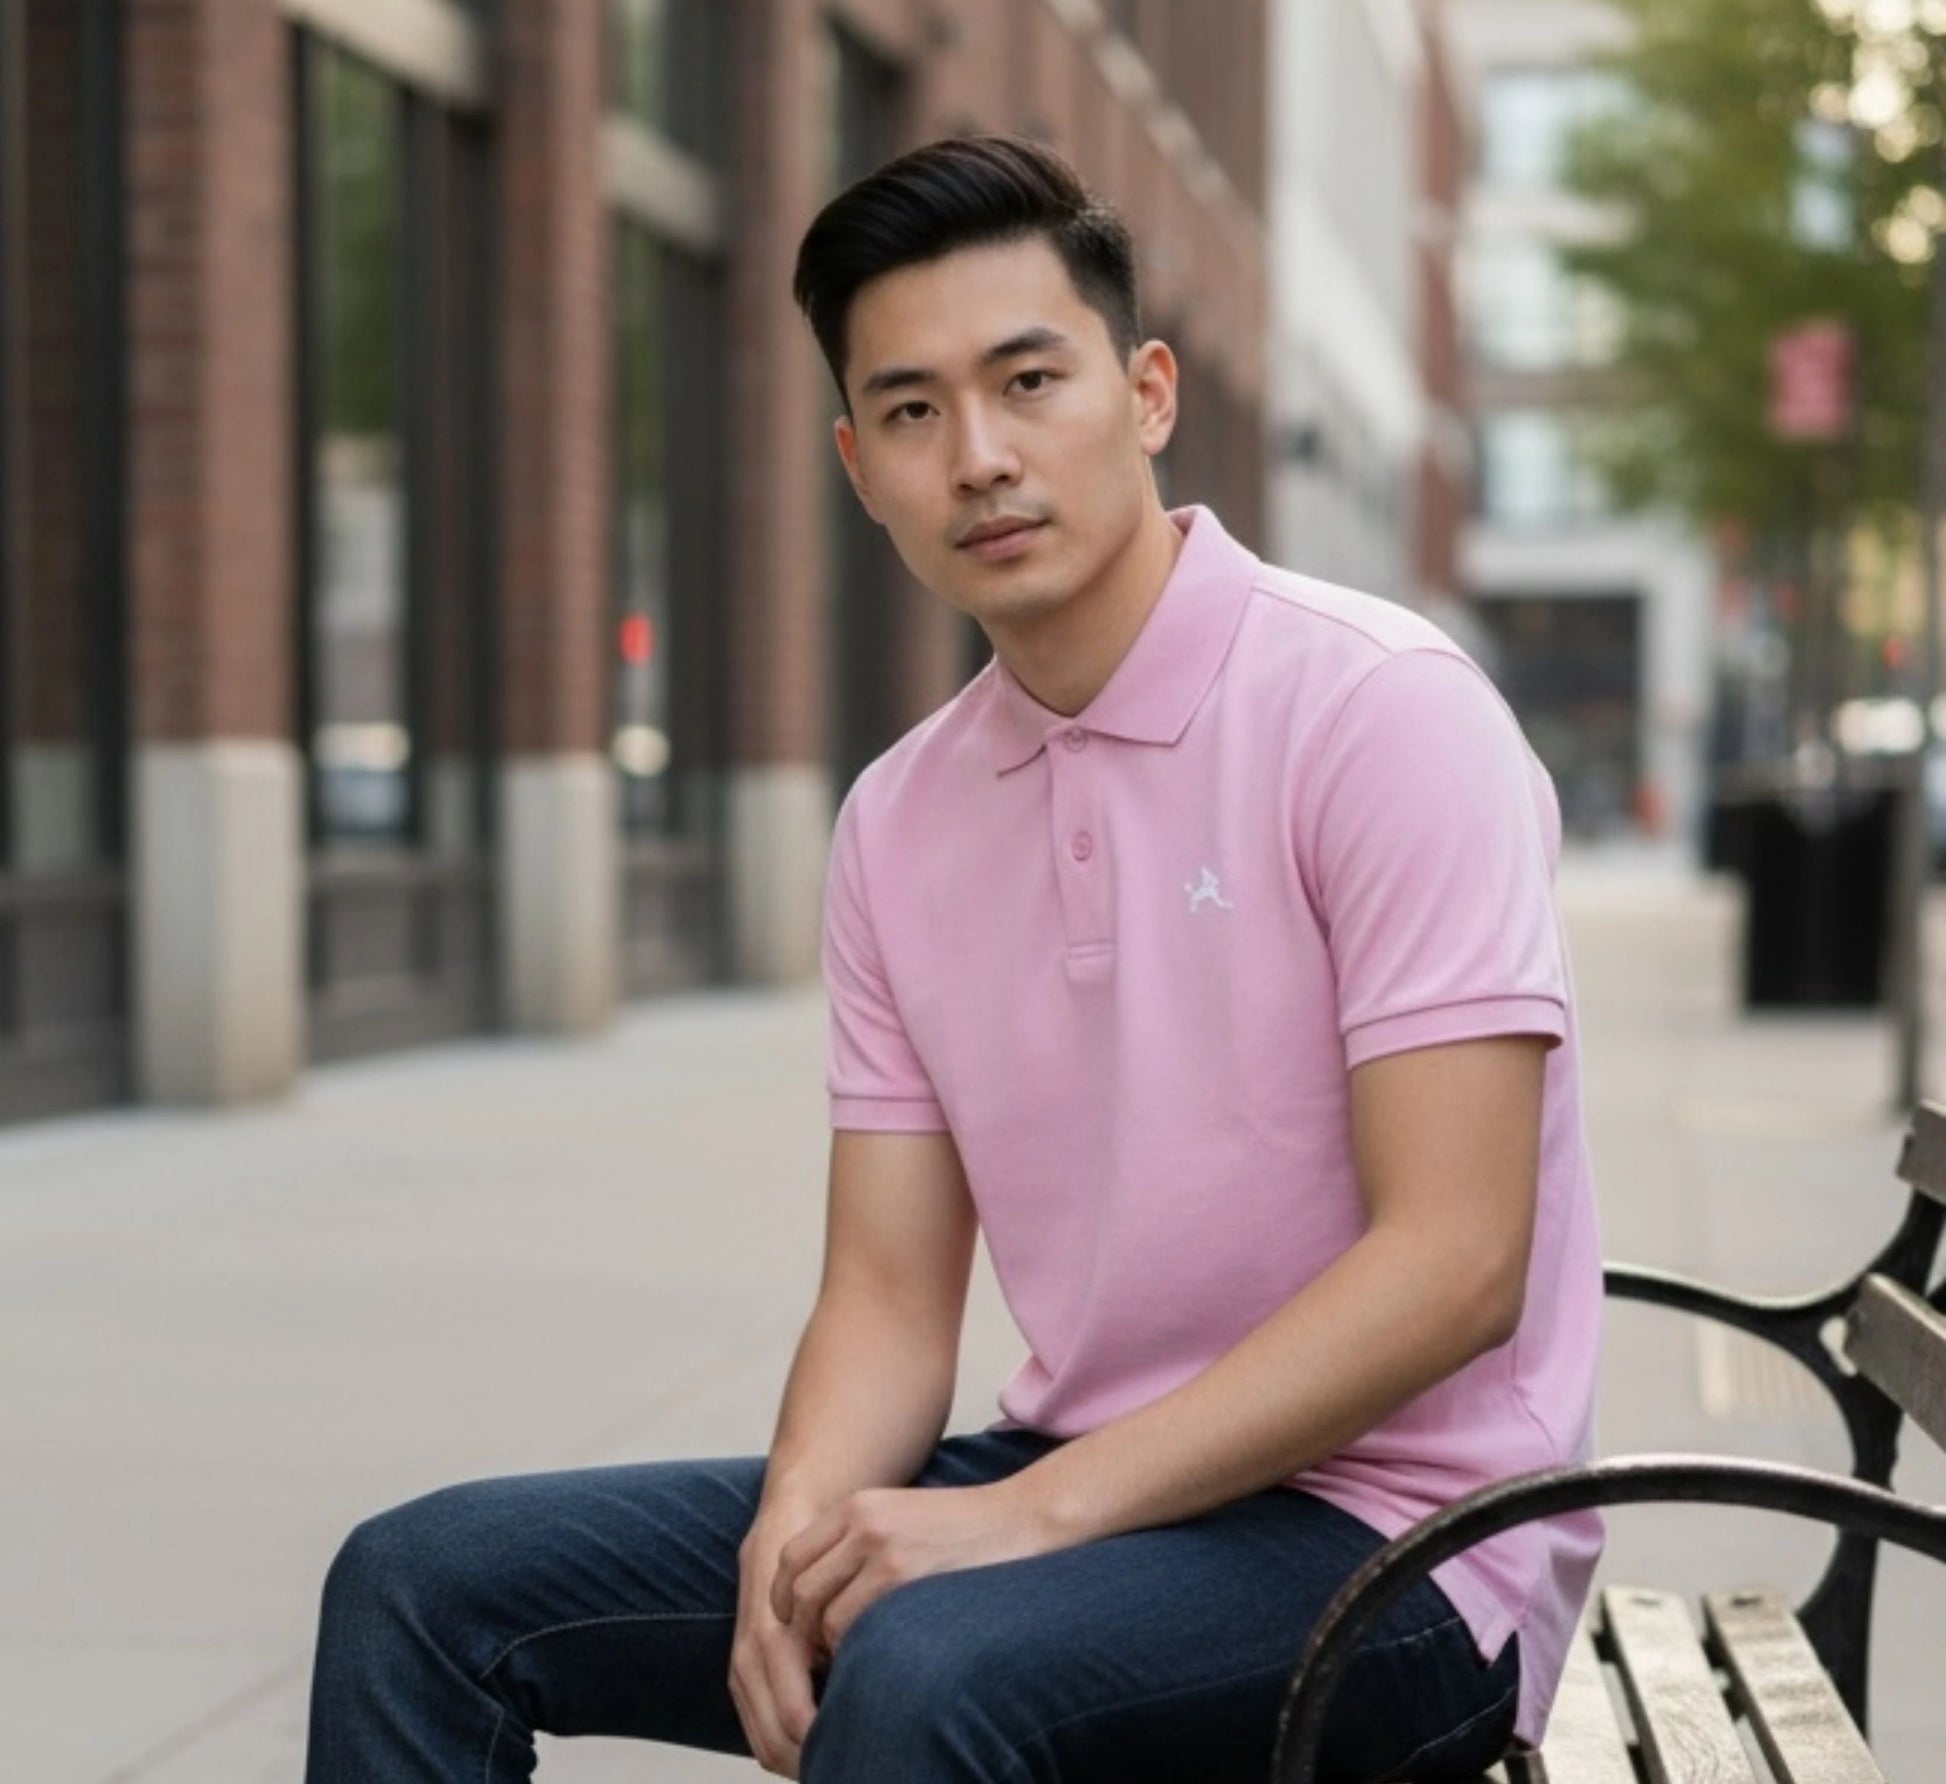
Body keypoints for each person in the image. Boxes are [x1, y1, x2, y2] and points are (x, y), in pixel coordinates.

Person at [303, 133, 1603, 1784]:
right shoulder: (900, 819)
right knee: (423, 1584)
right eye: (912, 411)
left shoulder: (1376, 712)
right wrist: (788, 1552)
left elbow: (1455, 1260)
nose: (977, 456)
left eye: (1026, 381)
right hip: (1073, 1485)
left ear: (1144, 393)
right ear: (858, 464)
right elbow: (888, 1296)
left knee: (929, 1664)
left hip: (1404, 1543)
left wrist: (1024, 1515)